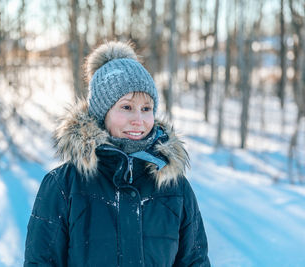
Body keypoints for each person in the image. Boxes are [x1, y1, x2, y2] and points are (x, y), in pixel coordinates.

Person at [24, 41, 210, 266]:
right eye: (126, 107)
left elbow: (194, 262)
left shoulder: (175, 188)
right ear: (102, 114)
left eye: (146, 108)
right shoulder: (64, 186)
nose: (138, 120)